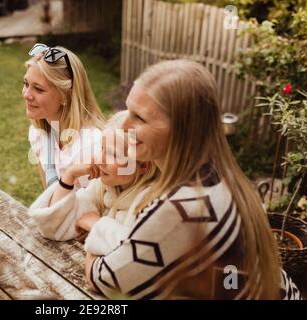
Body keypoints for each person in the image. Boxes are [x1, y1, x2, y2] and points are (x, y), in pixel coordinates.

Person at [85, 59, 300, 300]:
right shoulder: (216, 171)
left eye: (140, 118)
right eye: (128, 110)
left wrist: (95, 248)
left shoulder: (181, 208)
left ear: (180, 128)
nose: (124, 124)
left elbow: (104, 279)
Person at [28, 111, 159, 256]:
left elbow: (134, 255)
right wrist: (69, 175)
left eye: (113, 154)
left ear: (143, 166)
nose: (100, 159)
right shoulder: (103, 188)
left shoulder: (150, 203)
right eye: (102, 148)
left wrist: (96, 224)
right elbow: (54, 226)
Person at [24, 43, 105, 190]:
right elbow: (49, 196)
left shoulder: (91, 147)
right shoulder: (38, 133)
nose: (26, 94)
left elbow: (97, 207)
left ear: (66, 96)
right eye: (26, 84)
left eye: (38, 89)